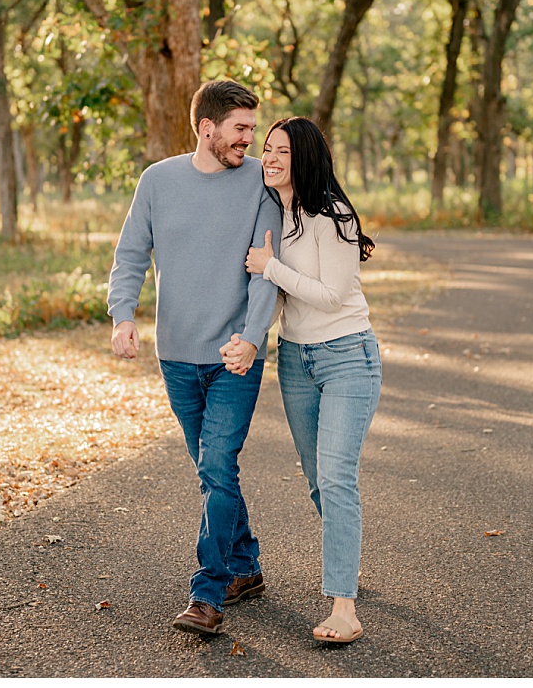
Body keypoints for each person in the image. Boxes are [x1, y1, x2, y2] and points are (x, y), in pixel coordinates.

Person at [107, 80, 282, 636]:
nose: (250, 141)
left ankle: (207, 593)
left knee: (215, 465)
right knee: (214, 470)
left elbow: (265, 270)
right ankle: (247, 565)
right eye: (241, 129)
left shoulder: (261, 181)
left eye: (253, 130)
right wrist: (123, 316)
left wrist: (253, 338)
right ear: (207, 129)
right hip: (177, 355)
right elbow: (131, 252)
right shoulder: (158, 181)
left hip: (236, 355)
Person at [223, 116, 380, 644]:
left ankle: (344, 607)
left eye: (280, 151)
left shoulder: (332, 215)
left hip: (346, 357)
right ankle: (347, 560)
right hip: (296, 360)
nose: (268, 158)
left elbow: (332, 294)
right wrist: (247, 337)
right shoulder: (276, 213)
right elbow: (274, 297)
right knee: (319, 481)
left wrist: (270, 267)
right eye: (266, 149)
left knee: (336, 479)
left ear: (305, 158)